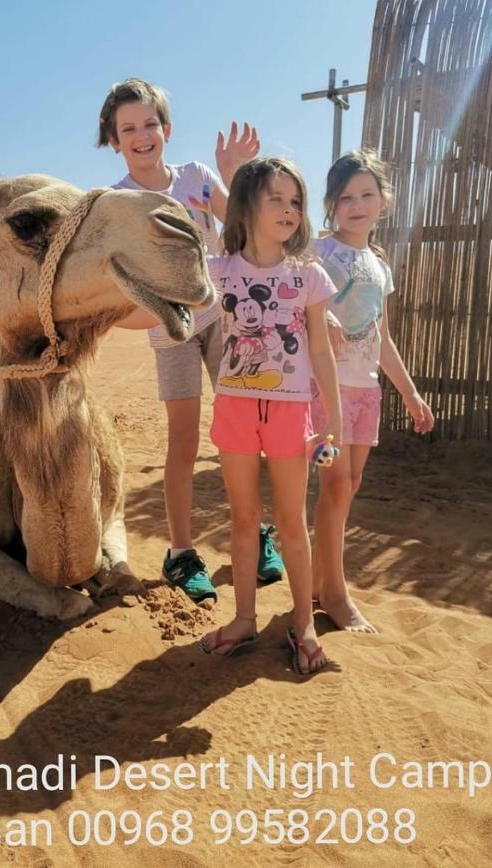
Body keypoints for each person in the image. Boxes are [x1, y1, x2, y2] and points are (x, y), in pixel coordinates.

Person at [98, 78, 284, 604]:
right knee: (183, 441)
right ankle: (181, 553)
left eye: (149, 124)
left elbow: (246, 233)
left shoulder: (197, 180)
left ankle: (258, 533)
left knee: (244, 433)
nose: (141, 135)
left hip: (227, 318)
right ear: (114, 140)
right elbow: (113, 289)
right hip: (171, 329)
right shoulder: (114, 205)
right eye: (128, 128)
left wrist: (234, 176)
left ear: (167, 129)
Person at [199, 157, 342, 675]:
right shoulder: (218, 271)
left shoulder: (307, 275)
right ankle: (243, 619)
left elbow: (321, 351)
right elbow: (173, 312)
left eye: (295, 202)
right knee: (242, 517)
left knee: (290, 521)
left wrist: (335, 416)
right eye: (275, 199)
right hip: (235, 407)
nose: (288, 210)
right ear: (247, 206)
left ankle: (302, 624)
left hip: (290, 412)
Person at [310, 149, 435, 633]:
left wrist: (409, 392)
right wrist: (326, 315)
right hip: (327, 393)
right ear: (330, 204)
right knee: (334, 484)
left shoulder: (379, 267)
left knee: (351, 486)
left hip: (366, 392)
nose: (356, 204)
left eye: (366, 194)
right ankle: (336, 596)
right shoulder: (320, 253)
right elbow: (300, 307)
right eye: (345, 197)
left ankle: (324, 582)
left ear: (384, 200)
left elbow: (382, 339)